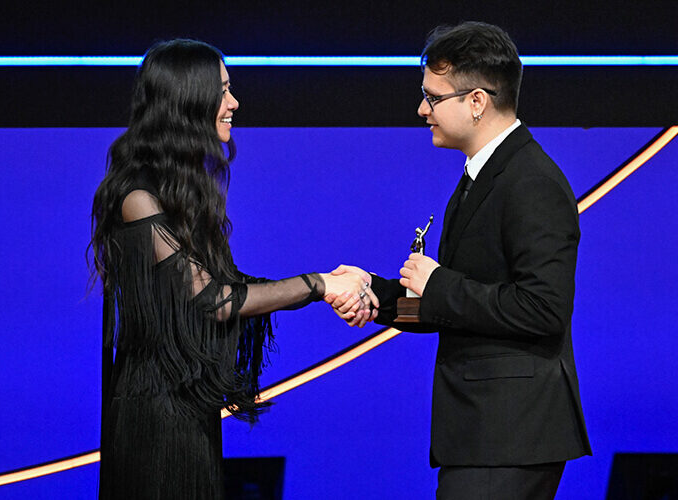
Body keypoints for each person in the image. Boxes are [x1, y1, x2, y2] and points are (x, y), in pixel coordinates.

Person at [89, 39, 376, 499]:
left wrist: (329, 279)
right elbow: (213, 301)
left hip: (184, 409)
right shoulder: (137, 197)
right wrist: (319, 285)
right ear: (188, 100)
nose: (233, 103)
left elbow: (228, 287)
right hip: (154, 420)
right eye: (222, 90)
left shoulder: (180, 192)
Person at [327, 22, 591, 499]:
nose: (422, 110)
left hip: (511, 436)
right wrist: (376, 295)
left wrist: (440, 284)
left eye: (433, 97)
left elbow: (543, 309)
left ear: (476, 102)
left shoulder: (530, 180)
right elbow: (454, 301)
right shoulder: (482, 175)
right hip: (482, 435)